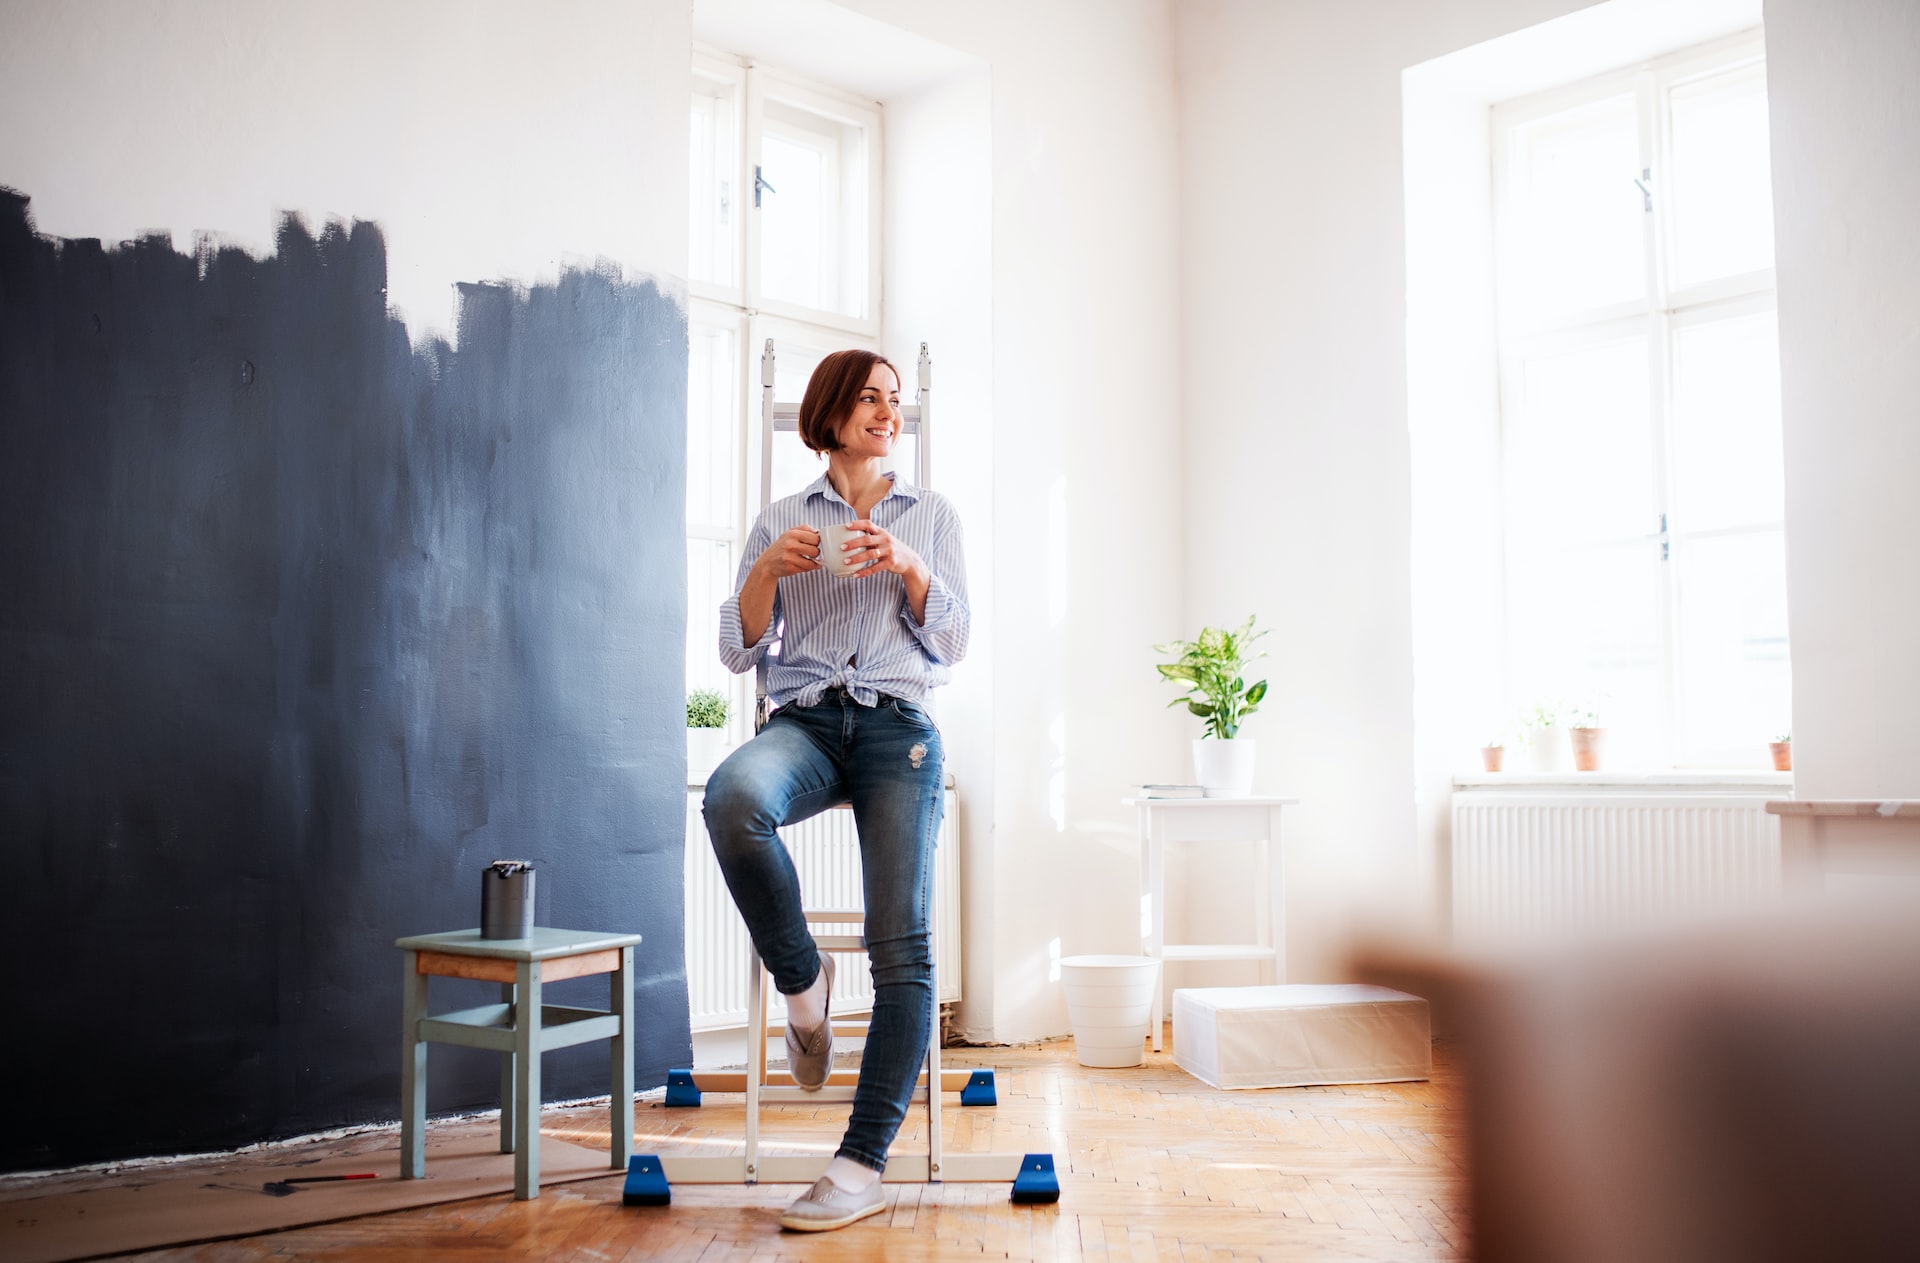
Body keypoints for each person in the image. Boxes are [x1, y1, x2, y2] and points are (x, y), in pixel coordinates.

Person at [703, 348, 969, 1233]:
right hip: (806, 720)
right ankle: (805, 986)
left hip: (898, 727)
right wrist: (764, 575)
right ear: (830, 413)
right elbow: (737, 651)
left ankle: (859, 1166)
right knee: (733, 798)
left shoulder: (931, 514)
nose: (888, 413)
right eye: (870, 399)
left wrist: (910, 568)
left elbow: (955, 641)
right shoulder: (782, 517)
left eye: (895, 401)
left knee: (905, 948)